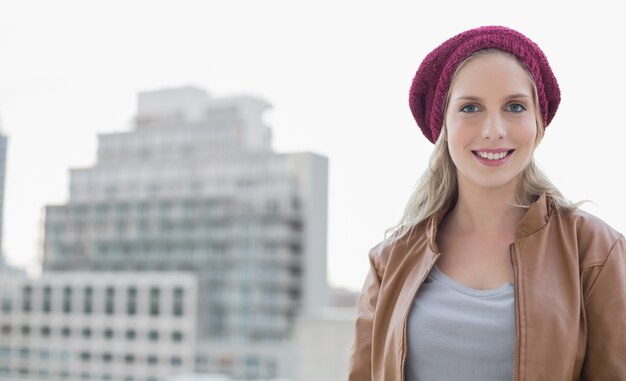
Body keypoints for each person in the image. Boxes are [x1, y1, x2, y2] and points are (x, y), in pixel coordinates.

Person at [348, 25, 626, 380]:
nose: (494, 129)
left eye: (514, 106)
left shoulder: (596, 251)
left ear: (539, 123)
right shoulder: (390, 261)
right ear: (444, 125)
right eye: (470, 107)